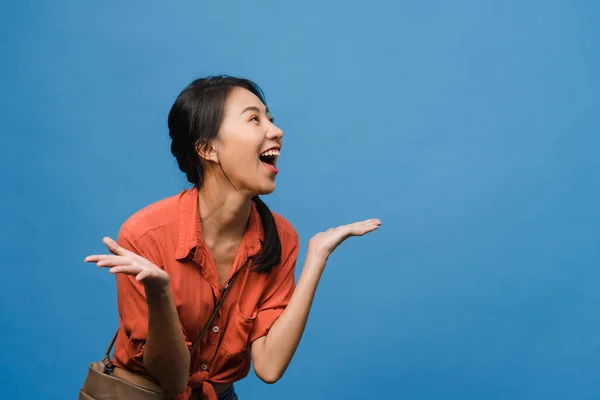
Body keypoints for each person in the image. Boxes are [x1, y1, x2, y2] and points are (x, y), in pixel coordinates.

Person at [84, 75, 381, 400]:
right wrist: (160, 292)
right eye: (254, 119)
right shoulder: (145, 235)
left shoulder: (280, 237)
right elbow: (172, 378)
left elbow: (269, 366)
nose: (276, 131)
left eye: (270, 118)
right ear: (209, 148)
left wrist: (316, 258)